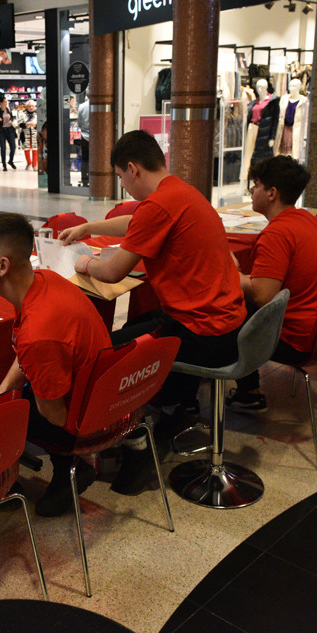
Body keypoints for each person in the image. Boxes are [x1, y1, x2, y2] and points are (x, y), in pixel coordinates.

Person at [59, 130, 246, 493]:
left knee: (106, 353)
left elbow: (112, 271)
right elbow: (138, 222)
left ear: (132, 169)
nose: (123, 187)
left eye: (120, 178)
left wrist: (81, 262)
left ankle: (134, 443)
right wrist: (90, 227)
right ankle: (172, 409)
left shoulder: (160, 205)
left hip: (202, 332)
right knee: (138, 327)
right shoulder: (181, 192)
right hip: (228, 325)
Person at [0, 212, 111, 516]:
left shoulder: (38, 334)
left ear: (3, 266)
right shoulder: (45, 281)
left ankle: (34, 476)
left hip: (83, 418)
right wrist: (2, 391)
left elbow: (55, 415)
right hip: (102, 394)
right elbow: (28, 354)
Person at [225, 155, 317, 413]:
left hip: (297, 339)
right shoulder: (307, 220)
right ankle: (246, 390)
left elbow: (263, 297)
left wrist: (228, 270)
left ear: (271, 193)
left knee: (223, 311)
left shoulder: (277, 233)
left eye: (255, 185)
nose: (252, 191)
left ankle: (245, 393)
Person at [0, 95, 17, 171]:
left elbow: (11, 117)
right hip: (1, 131)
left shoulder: (8, 109)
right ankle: (4, 165)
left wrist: (11, 121)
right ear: (0, 103)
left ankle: (10, 161)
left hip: (9, 130)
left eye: (6, 101)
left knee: (13, 147)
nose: (6, 103)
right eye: (5, 102)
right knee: (3, 148)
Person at [20, 100, 39, 171]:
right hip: (26, 134)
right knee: (26, 150)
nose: (31, 107)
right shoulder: (22, 113)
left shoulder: (38, 113)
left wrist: (35, 125)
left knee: (35, 150)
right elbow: (19, 124)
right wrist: (25, 124)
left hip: (35, 134)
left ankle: (34, 165)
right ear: (27, 107)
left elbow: (42, 124)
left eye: (32, 106)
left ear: (34, 106)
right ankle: (29, 163)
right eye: (29, 106)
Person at [77, 97, 90, 185]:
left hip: (85, 136)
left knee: (85, 159)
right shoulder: (97, 106)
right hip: (97, 138)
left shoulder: (82, 106)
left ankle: (84, 180)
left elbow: (79, 123)